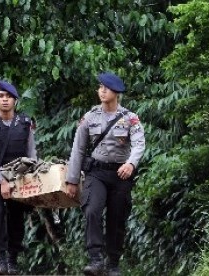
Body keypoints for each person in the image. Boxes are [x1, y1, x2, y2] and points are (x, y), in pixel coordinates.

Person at [65, 72, 145, 276]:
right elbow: (78, 149)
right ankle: (95, 259)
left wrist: (131, 164)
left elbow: (139, 145)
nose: (102, 91)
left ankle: (113, 263)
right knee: (92, 210)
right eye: (100, 87)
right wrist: (72, 180)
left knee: (117, 218)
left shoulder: (130, 118)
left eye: (106, 88)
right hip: (96, 173)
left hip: (121, 175)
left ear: (116, 92)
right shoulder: (89, 118)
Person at [0, 80, 37, 275]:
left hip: (19, 178)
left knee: (17, 219)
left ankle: (12, 260)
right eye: (1, 96)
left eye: (8, 97)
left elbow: (31, 153)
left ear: (15, 100)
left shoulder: (26, 123)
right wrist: (1, 181)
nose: (5, 100)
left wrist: (33, 179)